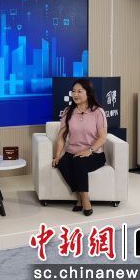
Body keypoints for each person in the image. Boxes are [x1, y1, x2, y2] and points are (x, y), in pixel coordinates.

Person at [51, 78, 108, 216]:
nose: (75, 94)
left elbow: (103, 137)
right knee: (62, 163)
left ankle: (85, 202)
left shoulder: (97, 112)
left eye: (79, 91)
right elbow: (61, 136)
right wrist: (57, 156)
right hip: (72, 152)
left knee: (79, 161)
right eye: (73, 91)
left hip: (95, 154)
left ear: (88, 93)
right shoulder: (68, 111)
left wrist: (89, 150)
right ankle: (80, 197)